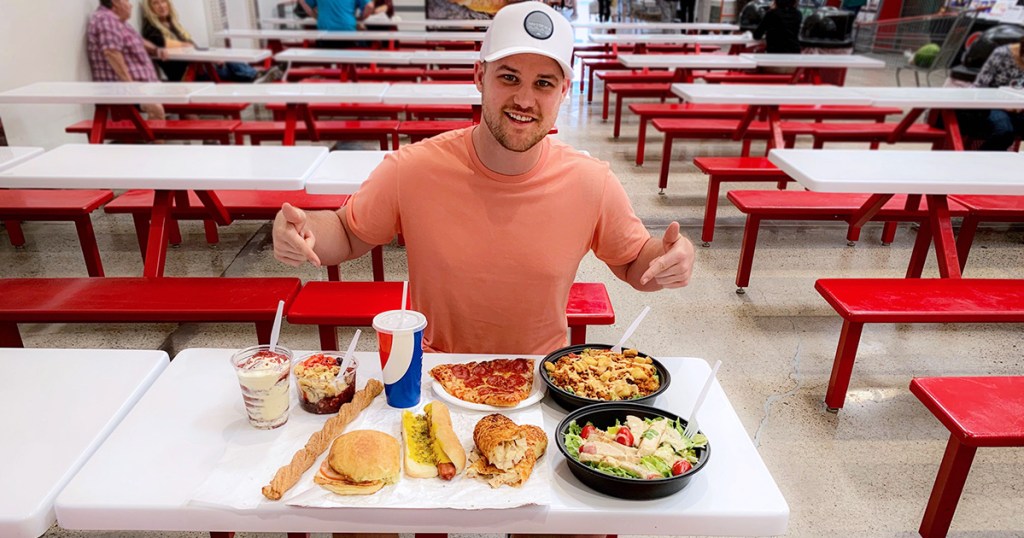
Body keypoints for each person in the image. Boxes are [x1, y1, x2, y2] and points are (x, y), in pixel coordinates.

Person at [273, 1, 695, 357]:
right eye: (508, 77)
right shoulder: (413, 169)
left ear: (564, 90)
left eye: (543, 83)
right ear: (479, 76)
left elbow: (635, 264)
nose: (525, 100)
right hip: (435, 375)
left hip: (538, 378)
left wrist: (669, 259)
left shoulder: (591, 182)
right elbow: (348, 233)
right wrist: (306, 230)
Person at [140, 0, 259, 82]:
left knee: (227, 59)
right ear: (149, 8)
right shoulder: (151, 29)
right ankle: (255, 75)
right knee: (229, 69)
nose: (161, 6)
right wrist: (186, 45)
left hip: (196, 67)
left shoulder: (172, 24)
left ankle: (254, 75)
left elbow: (191, 46)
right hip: (186, 75)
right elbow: (163, 43)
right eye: (155, 3)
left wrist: (210, 57)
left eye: (163, 1)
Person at [86, 0, 165, 120]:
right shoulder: (106, 19)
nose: (131, 5)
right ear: (116, 2)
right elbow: (111, 52)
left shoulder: (119, 22)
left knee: (186, 96)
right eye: (127, 1)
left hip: (141, 86)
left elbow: (138, 40)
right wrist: (130, 85)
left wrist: (156, 50)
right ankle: (158, 139)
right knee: (156, 109)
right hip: (122, 88)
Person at [956, 36, 1024, 151]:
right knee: (1004, 131)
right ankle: (977, 162)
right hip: (992, 105)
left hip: (1019, 107)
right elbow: (980, 87)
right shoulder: (1002, 54)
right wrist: (1005, 105)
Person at [299, 0, 373, 48]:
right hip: (347, 33)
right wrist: (361, 18)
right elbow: (369, 6)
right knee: (365, 42)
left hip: (325, 34)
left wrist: (316, 16)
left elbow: (303, 2)